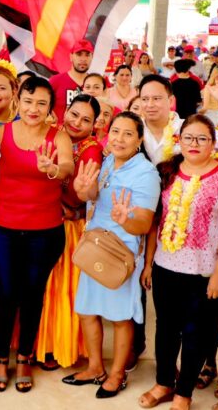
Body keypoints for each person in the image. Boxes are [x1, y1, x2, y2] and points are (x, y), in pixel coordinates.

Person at [0, 76, 72, 392]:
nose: (34, 109)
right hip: (3, 230)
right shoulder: (0, 133)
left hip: (45, 233)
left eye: (41, 103)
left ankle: (25, 356)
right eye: (29, 102)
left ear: (50, 107)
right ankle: (2, 357)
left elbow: (68, 168)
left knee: (33, 295)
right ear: (18, 100)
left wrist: (52, 168)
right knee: (6, 294)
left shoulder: (59, 137)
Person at [138, 115, 218, 410]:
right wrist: (148, 265)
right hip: (165, 267)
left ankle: (184, 394)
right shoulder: (167, 171)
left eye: (202, 139)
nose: (194, 144)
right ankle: (164, 383)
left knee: (196, 332)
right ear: (179, 140)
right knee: (165, 328)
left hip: (204, 271)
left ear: (213, 144)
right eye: (188, 138)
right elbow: (156, 222)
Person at [67, 112, 160, 398]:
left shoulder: (146, 173)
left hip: (121, 254)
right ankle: (96, 367)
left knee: (121, 317)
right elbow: (93, 195)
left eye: (128, 134)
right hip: (94, 245)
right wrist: (83, 191)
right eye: (115, 131)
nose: (119, 138)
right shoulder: (108, 161)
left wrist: (124, 220)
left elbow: (144, 224)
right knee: (86, 309)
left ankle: (117, 374)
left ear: (139, 140)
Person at [35, 94, 100, 371]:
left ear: (95, 124)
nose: (77, 123)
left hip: (70, 226)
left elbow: (79, 196)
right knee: (40, 284)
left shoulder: (91, 149)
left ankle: (56, 346)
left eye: (86, 120)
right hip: (43, 217)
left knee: (60, 288)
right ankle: (39, 343)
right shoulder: (54, 135)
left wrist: (67, 205)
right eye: (74, 114)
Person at [140, 74, 218, 165]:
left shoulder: (188, 128)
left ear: (171, 101)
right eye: (144, 99)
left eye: (156, 98)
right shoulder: (133, 129)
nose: (150, 104)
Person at [49, 40, 94, 121]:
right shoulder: (55, 81)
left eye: (87, 55)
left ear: (92, 57)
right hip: (59, 132)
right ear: (71, 56)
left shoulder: (97, 83)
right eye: (79, 54)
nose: (83, 59)